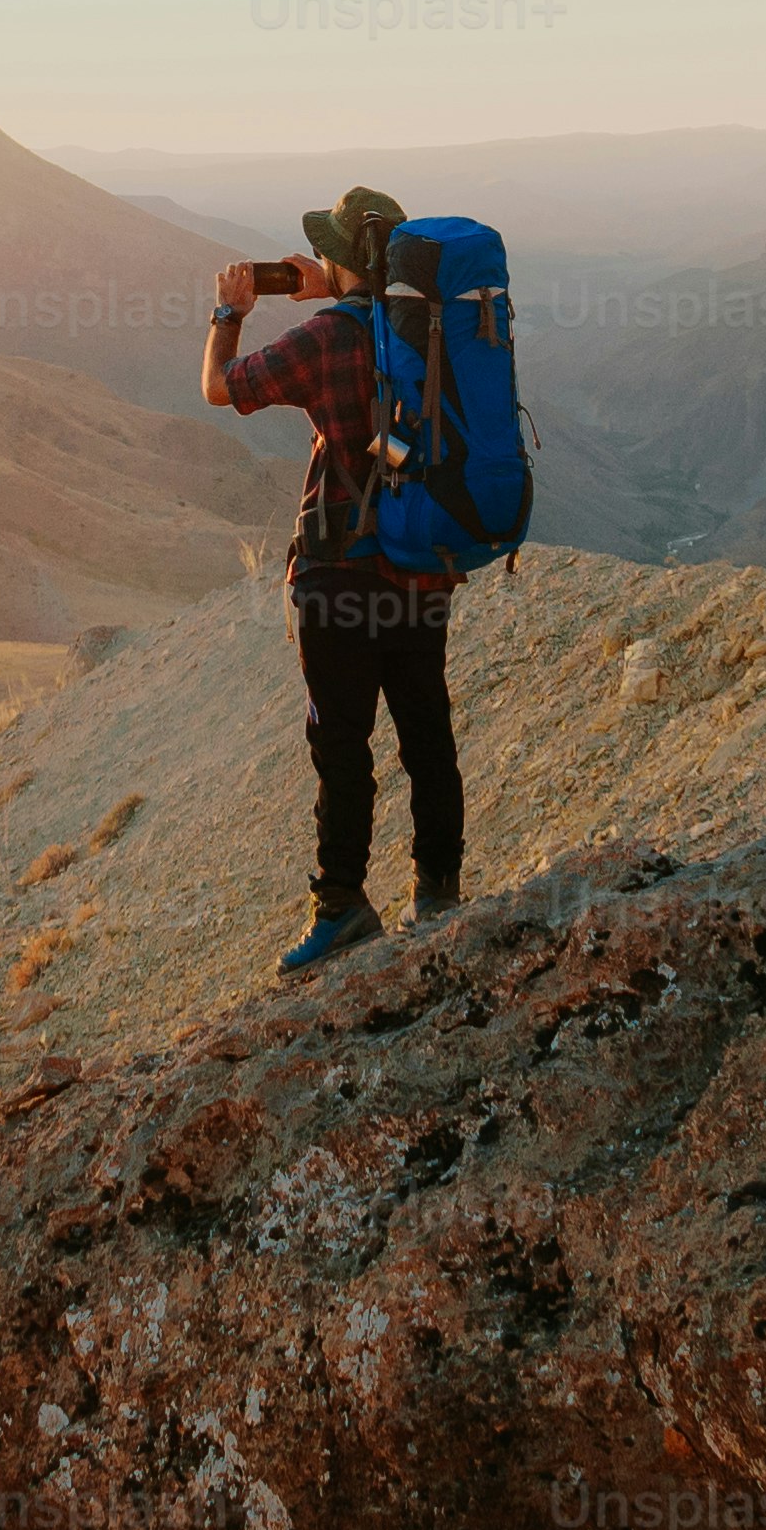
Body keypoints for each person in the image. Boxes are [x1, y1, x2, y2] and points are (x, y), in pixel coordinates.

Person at [204, 186, 460, 976]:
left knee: (343, 746)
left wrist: (229, 313)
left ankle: (342, 904)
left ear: (342, 259)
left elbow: (221, 387)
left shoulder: (323, 339)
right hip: (422, 571)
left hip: (340, 581)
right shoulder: (431, 329)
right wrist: (342, 287)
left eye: (327, 251)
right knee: (427, 733)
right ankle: (439, 893)